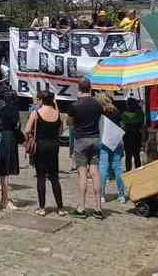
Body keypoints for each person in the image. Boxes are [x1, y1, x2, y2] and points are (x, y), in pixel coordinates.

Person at [68, 77, 104, 219]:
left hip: (81, 140)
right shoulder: (98, 105)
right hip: (95, 139)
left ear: (79, 88)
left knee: (82, 174)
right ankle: (98, 208)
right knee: (95, 173)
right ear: (90, 88)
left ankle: (82, 208)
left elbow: (70, 123)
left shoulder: (75, 105)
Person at [26, 92, 65, 216]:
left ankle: (42, 207)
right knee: (54, 177)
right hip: (54, 146)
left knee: (41, 177)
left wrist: (32, 135)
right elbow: (61, 130)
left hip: (40, 146)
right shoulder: (57, 114)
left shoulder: (36, 113)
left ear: (42, 100)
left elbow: (27, 130)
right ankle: (60, 208)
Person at [97, 93, 126, 203]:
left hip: (104, 141)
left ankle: (102, 194)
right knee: (117, 168)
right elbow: (122, 125)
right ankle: (121, 194)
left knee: (103, 168)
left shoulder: (100, 112)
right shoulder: (116, 111)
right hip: (116, 141)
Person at [0, 89, 21, 211]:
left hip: (2, 137)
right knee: (6, 170)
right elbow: (17, 127)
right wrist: (23, 140)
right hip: (10, 138)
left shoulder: (1, 110)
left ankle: (4, 198)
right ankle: (5, 198)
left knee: (3, 170)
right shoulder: (13, 111)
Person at [121, 97, 145, 171]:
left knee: (128, 156)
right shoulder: (140, 113)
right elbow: (141, 124)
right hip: (137, 136)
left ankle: (128, 171)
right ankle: (138, 171)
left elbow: (123, 125)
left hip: (127, 136)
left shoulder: (124, 114)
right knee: (136, 155)